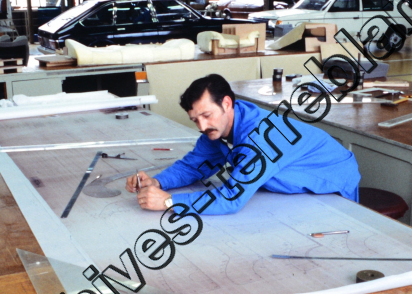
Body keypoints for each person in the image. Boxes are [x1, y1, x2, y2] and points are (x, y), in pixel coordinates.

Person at [127, 74, 361, 215]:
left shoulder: (260, 137)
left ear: (227, 104)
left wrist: (169, 201)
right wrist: (158, 182)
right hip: (295, 188)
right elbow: (193, 166)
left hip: (332, 186)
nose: (202, 126)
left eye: (206, 115)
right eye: (195, 120)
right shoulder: (218, 128)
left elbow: (231, 198)